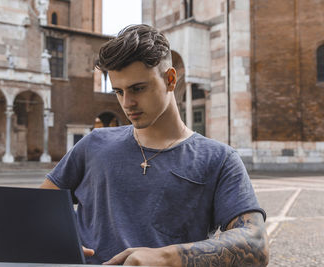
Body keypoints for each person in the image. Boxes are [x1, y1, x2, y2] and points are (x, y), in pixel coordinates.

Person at [40, 24, 269, 266]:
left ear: (170, 79)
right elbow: (34, 211)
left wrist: (166, 257)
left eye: (138, 88)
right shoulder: (94, 144)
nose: (127, 103)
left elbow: (256, 245)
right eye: (119, 91)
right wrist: (63, 242)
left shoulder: (219, 159)